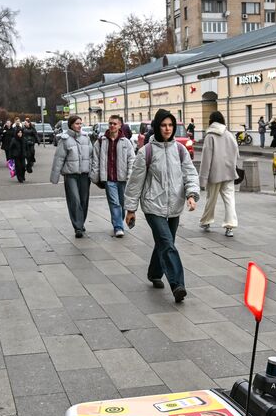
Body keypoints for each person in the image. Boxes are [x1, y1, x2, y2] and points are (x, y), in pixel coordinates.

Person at [126, 109, 200, 303]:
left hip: (174, 205)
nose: (167, 129)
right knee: (167, 243)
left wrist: (191, 195)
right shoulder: (146, 152)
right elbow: (135, 182)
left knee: (165, 242)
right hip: (153, 205)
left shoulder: (180, 150)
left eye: (170, 125)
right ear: (157, 127)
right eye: (163, 125)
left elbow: (190, 174)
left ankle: (154, 273)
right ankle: (177, 285)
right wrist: (131, 209)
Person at [197, 110, 240, 237]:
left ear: (211, 121)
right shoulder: (229, 134)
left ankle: (206, 221)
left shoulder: (210, 136)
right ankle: (230, 226)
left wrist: (202, 180)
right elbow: (236, 153)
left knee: (211, 199)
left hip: (214, 174)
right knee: (229, 199)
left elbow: (206, 160)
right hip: (229, 173)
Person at [51, 114, 94, 237]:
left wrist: (93, 171)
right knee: (74, 200)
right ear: (71, 125)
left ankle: (81, 222)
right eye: (77, 123)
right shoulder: (64, 140)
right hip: (71, 175)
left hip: (85, 174)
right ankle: (78, 227)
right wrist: (55, 176)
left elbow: (91, 156)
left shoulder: (86, 138)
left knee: (84, 200)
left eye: (80, 123)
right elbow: (59, 158)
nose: (79, 126)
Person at [93, 113, 133, 238]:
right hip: (109, 178)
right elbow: (95, 159)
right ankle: (118, 227)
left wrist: (130, 175)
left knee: (122, 203)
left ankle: (118, 220)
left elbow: (131, 160)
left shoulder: (126, 142)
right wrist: (95, 175)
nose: (112, 126)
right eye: (110, 123)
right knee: (114, 203)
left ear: (120, 125)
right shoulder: (101, 141)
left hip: (123, 178)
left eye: (115, 124)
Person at [20, 116, 38, 181]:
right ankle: (27, 165)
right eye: (24, 123)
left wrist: (38, 141)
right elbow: (20, 134)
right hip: (25, 143)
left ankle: (31, 161)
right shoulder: (23, 128)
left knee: (32, 152)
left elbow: (35, 134)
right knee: (26, 154)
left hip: (31, 143)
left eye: (26, 123)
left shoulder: (32, 128)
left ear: (29, 123)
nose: (25, 124)